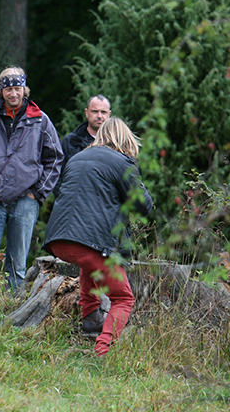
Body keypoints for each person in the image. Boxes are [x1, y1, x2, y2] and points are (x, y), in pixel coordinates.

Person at [43, 117, 153, 357]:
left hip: (59, 239)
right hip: (89, 241)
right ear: (126, 140)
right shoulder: (122, 162)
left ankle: (91, 319)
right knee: (123, 298)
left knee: (89, 264)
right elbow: (144, 206)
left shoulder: (77, 157)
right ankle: (103, 351)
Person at [0, 66, 63, 291]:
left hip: (26, 200)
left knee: (17, 265)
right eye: (8, 89)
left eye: (18, 88)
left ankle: (13, 308)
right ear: (1, 91)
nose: (13, 93)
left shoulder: (40, 120)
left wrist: (37, 193)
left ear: (25, 89)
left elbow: (55, 159)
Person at [55, 95, 112, 194]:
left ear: (109, 114)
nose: (99, 116)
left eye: (103, 112)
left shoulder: (118, 144)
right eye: (95, 111)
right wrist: (65, 198)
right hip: (74, 201)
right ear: (86, 112)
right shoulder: (70, 142)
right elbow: (56, 175)